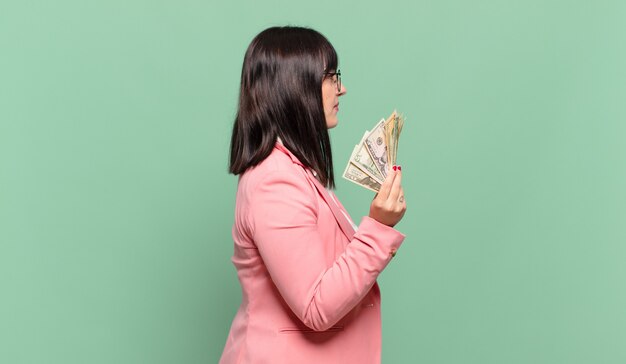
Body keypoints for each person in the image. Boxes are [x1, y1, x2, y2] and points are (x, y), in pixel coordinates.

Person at [220, 26, 407, 364]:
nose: (342, 88)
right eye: (331, 77)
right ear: (294, 85)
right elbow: (316, 306)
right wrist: (378, 228)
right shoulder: (275, 183)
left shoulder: (293, 171)